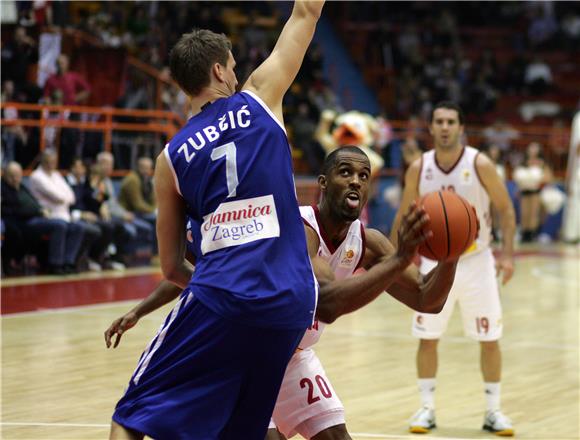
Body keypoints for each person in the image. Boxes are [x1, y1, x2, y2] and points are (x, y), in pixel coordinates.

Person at [106, 146, 459, 440]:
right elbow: (327, 301)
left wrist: (454, 250)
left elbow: (429, 299)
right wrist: (142, 309)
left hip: (293, 354)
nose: (355, 180)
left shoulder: (369, 243)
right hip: (249, 351)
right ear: (323, 183)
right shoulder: (297, 228)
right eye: (345, 172)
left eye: (363, 176)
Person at [391, 101, 516, 436]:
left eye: (451, 121)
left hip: (477, 261)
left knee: (490, 338)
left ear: (461, 128)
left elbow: (505, 209)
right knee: (427, 337)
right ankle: (426, 408)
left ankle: (493, 411)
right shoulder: (419, 167)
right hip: (434, 263)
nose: (444, 127)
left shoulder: (481, 164)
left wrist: (507, 255)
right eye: (439, 121)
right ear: (430, 128)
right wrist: (392, 261)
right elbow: (403, 215)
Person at [1, 161, 84, 274]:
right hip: (24, 220)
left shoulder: (22, 187)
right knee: (59, 225)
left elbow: (35, 202)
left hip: (40, 216)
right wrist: (38, 211)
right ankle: (55, 264)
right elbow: (13, 209)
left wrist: (41, 210)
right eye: (12, 175)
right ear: (5, 175)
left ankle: (68, 262)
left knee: (77, 227)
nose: (15, 178)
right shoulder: (4, 189)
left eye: (18, 175)